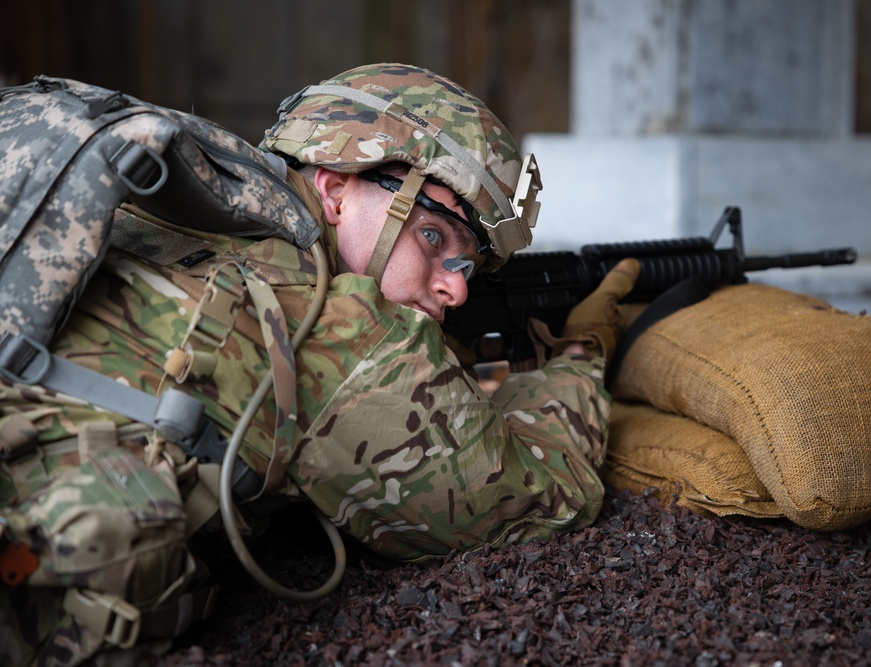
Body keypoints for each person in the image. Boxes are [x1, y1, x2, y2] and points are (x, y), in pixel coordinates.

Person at [0, 63, 639, 663]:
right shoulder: (341, 326)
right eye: (432, 236)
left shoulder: (180, 202)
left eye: (465, 261)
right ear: (335, 190)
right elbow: (540, 498)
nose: (457, 289)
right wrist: (579, 356)